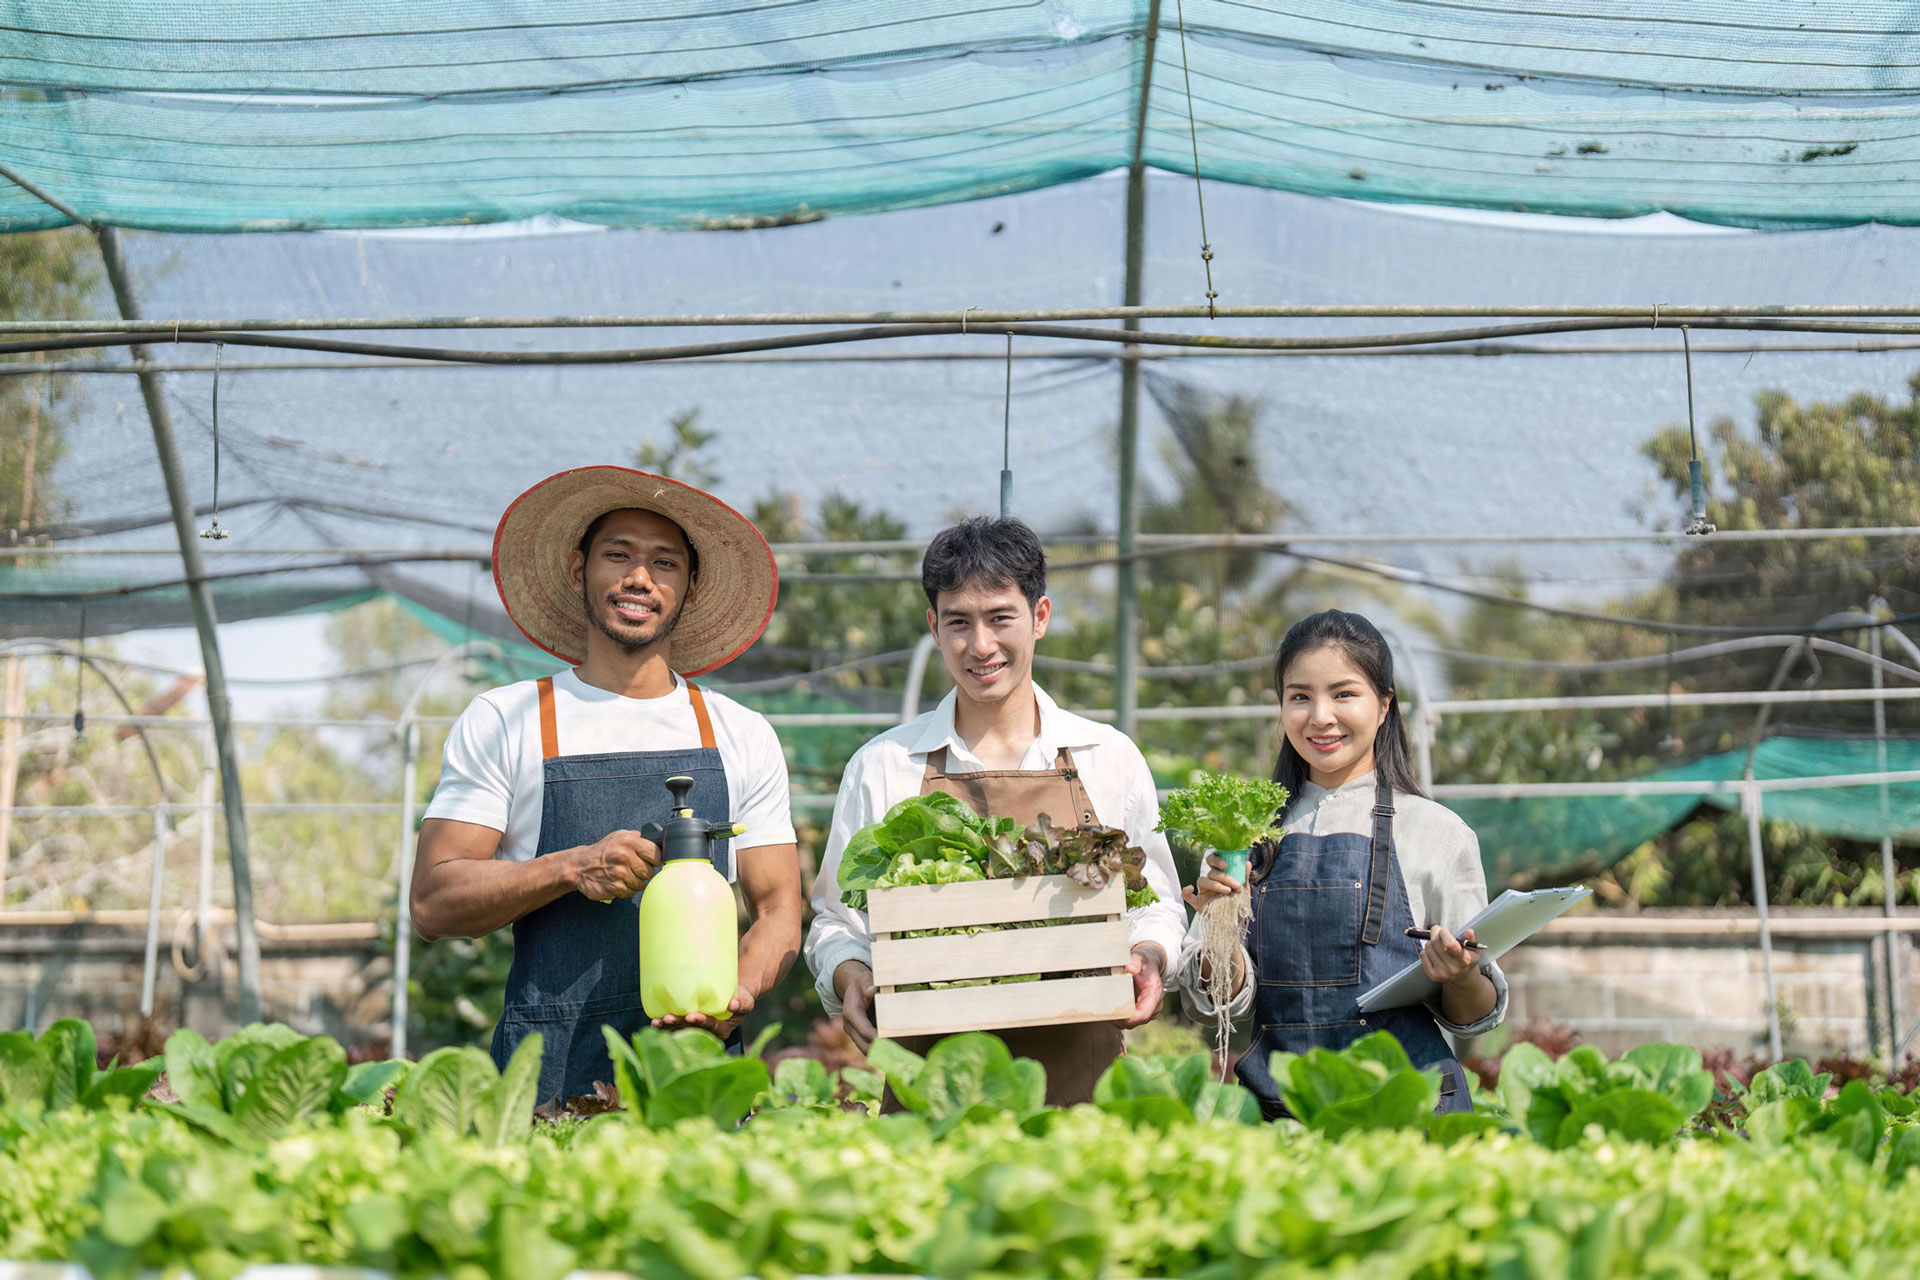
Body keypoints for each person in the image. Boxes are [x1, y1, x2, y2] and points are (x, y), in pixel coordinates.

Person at [410, 466, 803, 1105]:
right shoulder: (507, 721)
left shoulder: (741, 733)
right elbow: (433, 900)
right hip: (547, 1072)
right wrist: (571, 867)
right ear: (577, 569)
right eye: (618, 554)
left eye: (665, 563)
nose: (639, 578)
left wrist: (739, 997)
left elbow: (781, 909)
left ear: (690, 587)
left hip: (692, 1066)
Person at [805, 516, 1185, 1106]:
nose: (980, 646)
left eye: (1000, 618)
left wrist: (1148, 955)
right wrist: (849, 975)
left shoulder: (1107, 757)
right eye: (959, 622)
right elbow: (836, 921)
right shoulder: (883, 765)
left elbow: (1157, 903)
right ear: (934, 627)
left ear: (1039, 617)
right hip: (931, 1085)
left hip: (1084, 1085)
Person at [1178, 609, 1505, 1118]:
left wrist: (1460, 976)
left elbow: (1477, 1017)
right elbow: (1216, 1007)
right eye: (1300, 697)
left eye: (1344, 693)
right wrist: (1219, 927)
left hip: (1408, 1108)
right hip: (1283, 1111)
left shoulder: (1438, 833)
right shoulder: (1240, 834)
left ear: (1384, 705)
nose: (1320, 716)